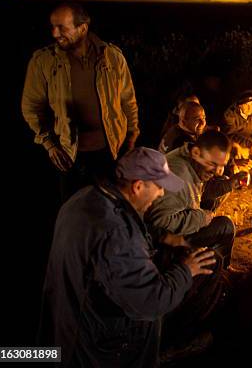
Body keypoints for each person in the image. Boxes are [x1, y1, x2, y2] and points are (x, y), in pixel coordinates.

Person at [38, 147, 216, 367]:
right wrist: (186, 270)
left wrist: (160, 238)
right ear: (138, 187)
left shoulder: (85, 197)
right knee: (159, 310)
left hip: (63, 315)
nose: (162, 194)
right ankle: (166, 350)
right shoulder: (116, 235)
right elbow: (152, 301)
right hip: (91, 343)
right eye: (159, 187)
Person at [22, 2, 139, 202]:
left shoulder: (111, 57)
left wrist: (131, 136)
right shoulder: (44, 62)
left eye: (62, 28)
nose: (55, 33)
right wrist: (50, 144)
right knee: (74, 210)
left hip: (111, 152)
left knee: (110, 207)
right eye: (53, 27)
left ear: (83, 28)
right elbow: (31, 107)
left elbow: (128, 100)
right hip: (70, 155)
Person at [146, 130, 245, 268]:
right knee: (226, 227)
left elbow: (199, 192)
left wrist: (229, 184)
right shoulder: (177, 175)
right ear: (196, 153)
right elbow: (159, 222)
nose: (218, 171)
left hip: (176, 225)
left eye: (222, 165)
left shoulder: (192, 161)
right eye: (213, 164)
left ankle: (215, 268)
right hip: (163, 245)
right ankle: (213, 272)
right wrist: (201, 218)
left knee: (215, 200)